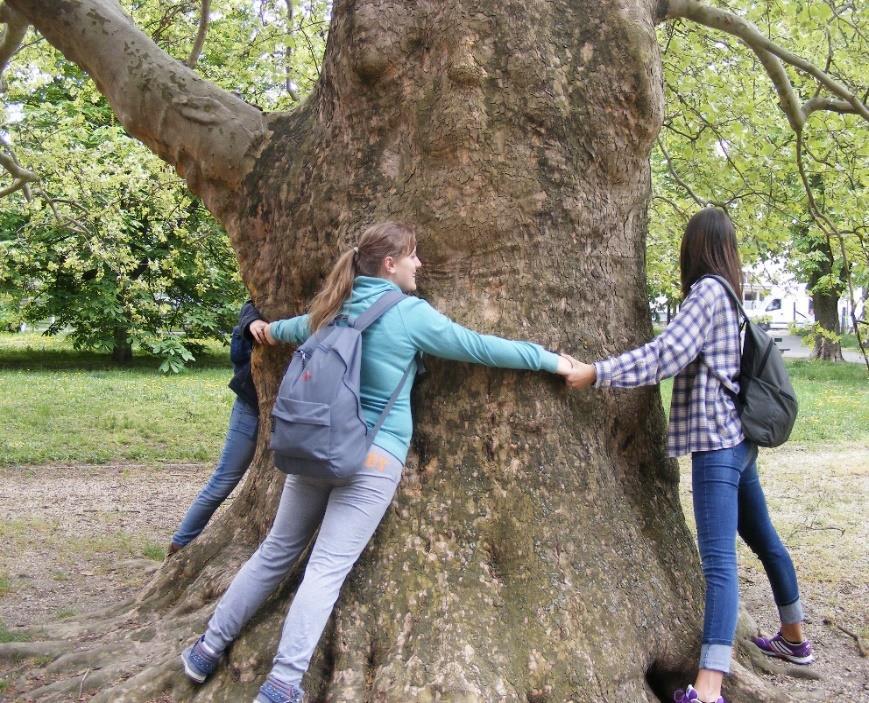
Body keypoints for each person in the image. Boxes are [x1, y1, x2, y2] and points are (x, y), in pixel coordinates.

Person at [180, 221, 576, 703]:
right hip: (372, 456)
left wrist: (264, 330)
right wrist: (551, 360)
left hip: (315, 447)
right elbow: (481, 347)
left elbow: (291, 328)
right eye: (413, 256)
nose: (420, 264)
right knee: (325, 568)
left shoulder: (334, 306)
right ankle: (283, 684)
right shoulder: (411, 315)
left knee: (274, 553)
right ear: (390, 264)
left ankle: (207, 650)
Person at [563, 208, 813, 703]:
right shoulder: (732, 296)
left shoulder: (706, 293)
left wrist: (596, 372)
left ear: (693, 249)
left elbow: (665, 355)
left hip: (717, 444)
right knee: (764, 539)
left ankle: (709, 687)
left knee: (719, 565)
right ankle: (795, 638)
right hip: (738, 440)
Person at [167, 300, 272, 555]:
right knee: (224, 480)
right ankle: (179, 547)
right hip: (251, 405)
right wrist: (253, 323)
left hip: (298, 413)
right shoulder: (264, 299)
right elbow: (250, 306)